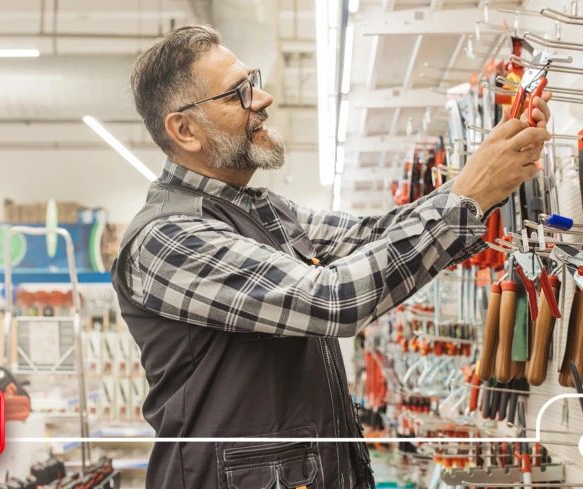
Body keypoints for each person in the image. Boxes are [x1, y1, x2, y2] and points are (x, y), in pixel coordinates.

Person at [111, 24, 551, 489]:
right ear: (184, 129)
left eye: (252, 81)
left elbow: (374, 236)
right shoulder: (168, 238)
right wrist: (468, 194)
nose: (261, 100)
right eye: (236, 94)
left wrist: (486, 178)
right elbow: (331, 298)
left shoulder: (263, 212)